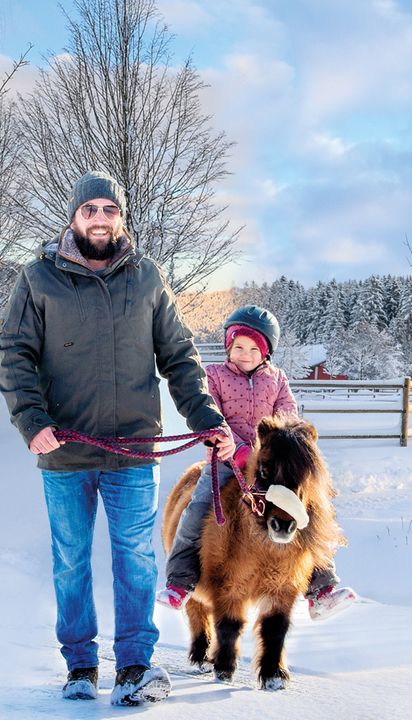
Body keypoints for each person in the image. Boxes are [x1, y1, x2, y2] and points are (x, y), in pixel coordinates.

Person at [0, 171, 234, 706]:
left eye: (109, 209)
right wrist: (32, 422)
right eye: (90, 209)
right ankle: (80, 665)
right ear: (74, 216)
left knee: (135, 558)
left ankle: (134, 666)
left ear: (120, 216)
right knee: (71, 558)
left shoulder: (147, 278)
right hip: (64, 451)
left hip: (134, 449)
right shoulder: (39, 279)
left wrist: (207, 419)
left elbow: (179, 357)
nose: (100, 218)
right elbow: (14, 355)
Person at [156, 304, 357, 621]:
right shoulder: (215, 376)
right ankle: (179, 582)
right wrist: (234, 449)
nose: (244, 354)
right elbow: (210, 417)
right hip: (225, 460)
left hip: (269, 467)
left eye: (253, 349)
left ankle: (321, 586)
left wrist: (293, 444)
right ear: (228, 347)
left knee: (310, 510)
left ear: (266, 353)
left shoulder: (277, 380)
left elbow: (288, 418)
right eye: (238, 347)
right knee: (196, 509)